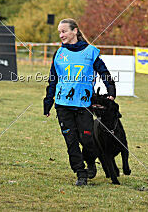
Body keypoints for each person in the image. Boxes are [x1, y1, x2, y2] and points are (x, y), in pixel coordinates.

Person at [43, 18, 116, 186]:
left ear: (75, 31)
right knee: (71, 141)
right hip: (63, 105)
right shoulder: (59, 54)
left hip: (84, 105)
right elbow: (52, 79)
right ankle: (80, 173)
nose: (61, 35)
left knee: (87, 140)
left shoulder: (90, 52)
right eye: (59, 32)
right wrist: (48, 101)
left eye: (64, 31)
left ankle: (90, 161)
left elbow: (104, 72)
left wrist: (111, 90)